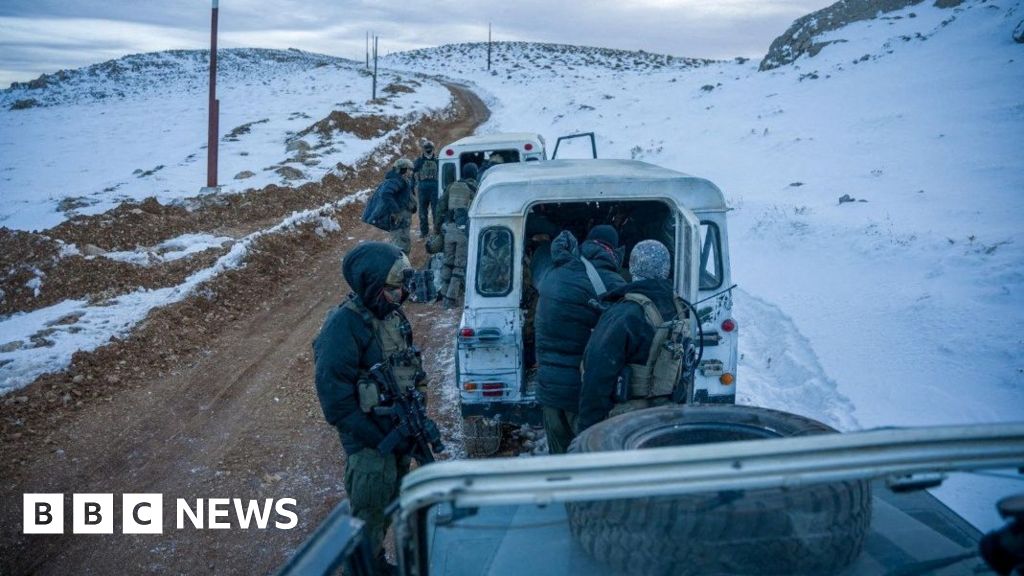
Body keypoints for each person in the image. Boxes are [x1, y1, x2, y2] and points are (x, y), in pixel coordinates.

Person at [313, 242, 426, 574]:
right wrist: (379, 438)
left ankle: (374, 563)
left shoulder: (391, 316)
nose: (401, 295)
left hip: (397, 431)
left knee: (388, 503)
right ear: (371, 284)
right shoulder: (343, 327)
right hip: (369, 443)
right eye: (393, 288)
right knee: (369, 512)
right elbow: (335, 403)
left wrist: (416, 421)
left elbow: (411, 367)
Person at [576, 239, 692, 434]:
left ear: (632, 267)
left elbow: (597, 375)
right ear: (667, 268)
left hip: (627, 422)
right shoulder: (679, 307)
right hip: (667, 416)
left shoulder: (625, 313)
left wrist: (588, 430)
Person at [533, 225, 626, 454]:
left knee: (560, 461)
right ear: (613, 250)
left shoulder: (554, 273)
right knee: (588, 461)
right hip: (583, 395)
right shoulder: (612, 284)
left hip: (549, 391)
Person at [434, 162, 479, 309]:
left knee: (448, 262)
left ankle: (443, 291)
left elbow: (440, 208)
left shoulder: (452, 186)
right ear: (474, 174)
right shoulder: (477, 188)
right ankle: (450, 299)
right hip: (463, 231)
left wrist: (437, 229)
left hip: (449, 229)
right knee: (459, 266)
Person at [376, 158, 416, 254]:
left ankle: (402, 265)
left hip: (403, 218)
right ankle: (400, 267)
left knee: (403, 242)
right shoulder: (396, 180)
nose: (411, 172)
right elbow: (385, 194)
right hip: (400, 218)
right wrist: (396, 211)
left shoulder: (402, 180)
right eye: (409, 169)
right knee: (400, 245)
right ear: (402, 169)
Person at [413, 139, 439, 239]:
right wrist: (411, 186)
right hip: (422, 188)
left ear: (433, 149)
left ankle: (437, 231)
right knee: (422, 211)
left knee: (436, 211)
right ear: (423, 149)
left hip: (434, 187)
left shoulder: (437, 160)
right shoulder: (419, 161)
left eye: (430, 148)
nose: (428, 150)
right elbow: (412, 173)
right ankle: (424, 232)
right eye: (426, 148)